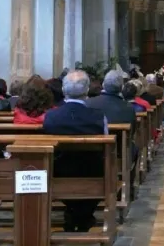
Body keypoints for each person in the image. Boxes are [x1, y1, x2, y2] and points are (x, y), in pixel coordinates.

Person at [43, 70, 108, 232]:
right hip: (93, 173)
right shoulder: (99, 116)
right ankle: (82, 214)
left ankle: (75, 212)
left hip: (58, 172)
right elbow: (107, 146)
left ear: (64, 91)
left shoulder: (51, 116)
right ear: (86, 91)